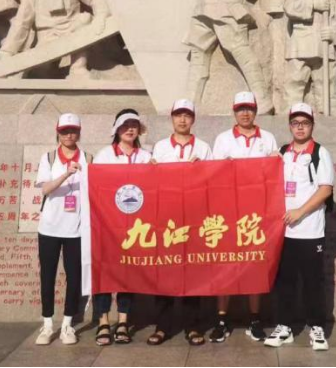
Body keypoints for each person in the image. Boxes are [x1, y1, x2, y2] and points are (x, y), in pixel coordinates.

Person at [209, 91, 279, 342]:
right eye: (240, 109)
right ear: (234, 111)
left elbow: (275, 171)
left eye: (249, 108)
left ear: (256, 111)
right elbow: (213, 176)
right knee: (226, 266)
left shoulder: (268, 138)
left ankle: (254, 319)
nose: (245, 113)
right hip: (229, 212)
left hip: (258, 213)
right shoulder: (223, 139)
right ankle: (221, 319)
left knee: (254, 265)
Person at [263, 102, 334, 352]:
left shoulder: (320, 153)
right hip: (283, 232)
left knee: (313, 282)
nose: (300, 127)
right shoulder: (282, 152)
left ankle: (317, 328)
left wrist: (300, 212)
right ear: (290, 126)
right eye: (295, 123)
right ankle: (284, 327)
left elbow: (325, 189)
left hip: (310, 231)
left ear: (312, 125)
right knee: (285, 281)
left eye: (305, 123)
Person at [147, 100, 213, 346]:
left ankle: (193, 327)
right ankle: (162, 326)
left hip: (194, 218)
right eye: (178, 115)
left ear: (193, 119)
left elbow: (214, 181)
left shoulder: (204, 147)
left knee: (191, 272)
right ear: (172, 118)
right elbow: (152, 182)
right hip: (166, 219)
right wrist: (150, 170)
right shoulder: (160, 147)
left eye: (187, 115)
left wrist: (202, 169)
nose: (182, 120)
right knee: (164, 270)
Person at [91, 109, 153, 345]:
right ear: (116, 129)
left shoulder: (146, 157)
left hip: (135, 226)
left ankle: (124, 321)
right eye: (125, 125)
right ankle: (103, 321)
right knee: (104, 272)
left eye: (134, 125)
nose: (130, 129)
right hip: (107, 225)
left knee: (128, 273)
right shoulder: (104, 155)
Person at [33, 113, 92, 346]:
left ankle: (68, 324)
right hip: (49, 227)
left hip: (76, 229)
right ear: (58, 132)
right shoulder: (48, 158)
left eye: (73, 131)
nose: (69, 135)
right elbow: (45, 189)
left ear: (79, 132)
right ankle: (47, 324)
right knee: (47, 276)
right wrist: (66, 173)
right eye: (65, 131)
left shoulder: (88, 158)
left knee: (74, 277)